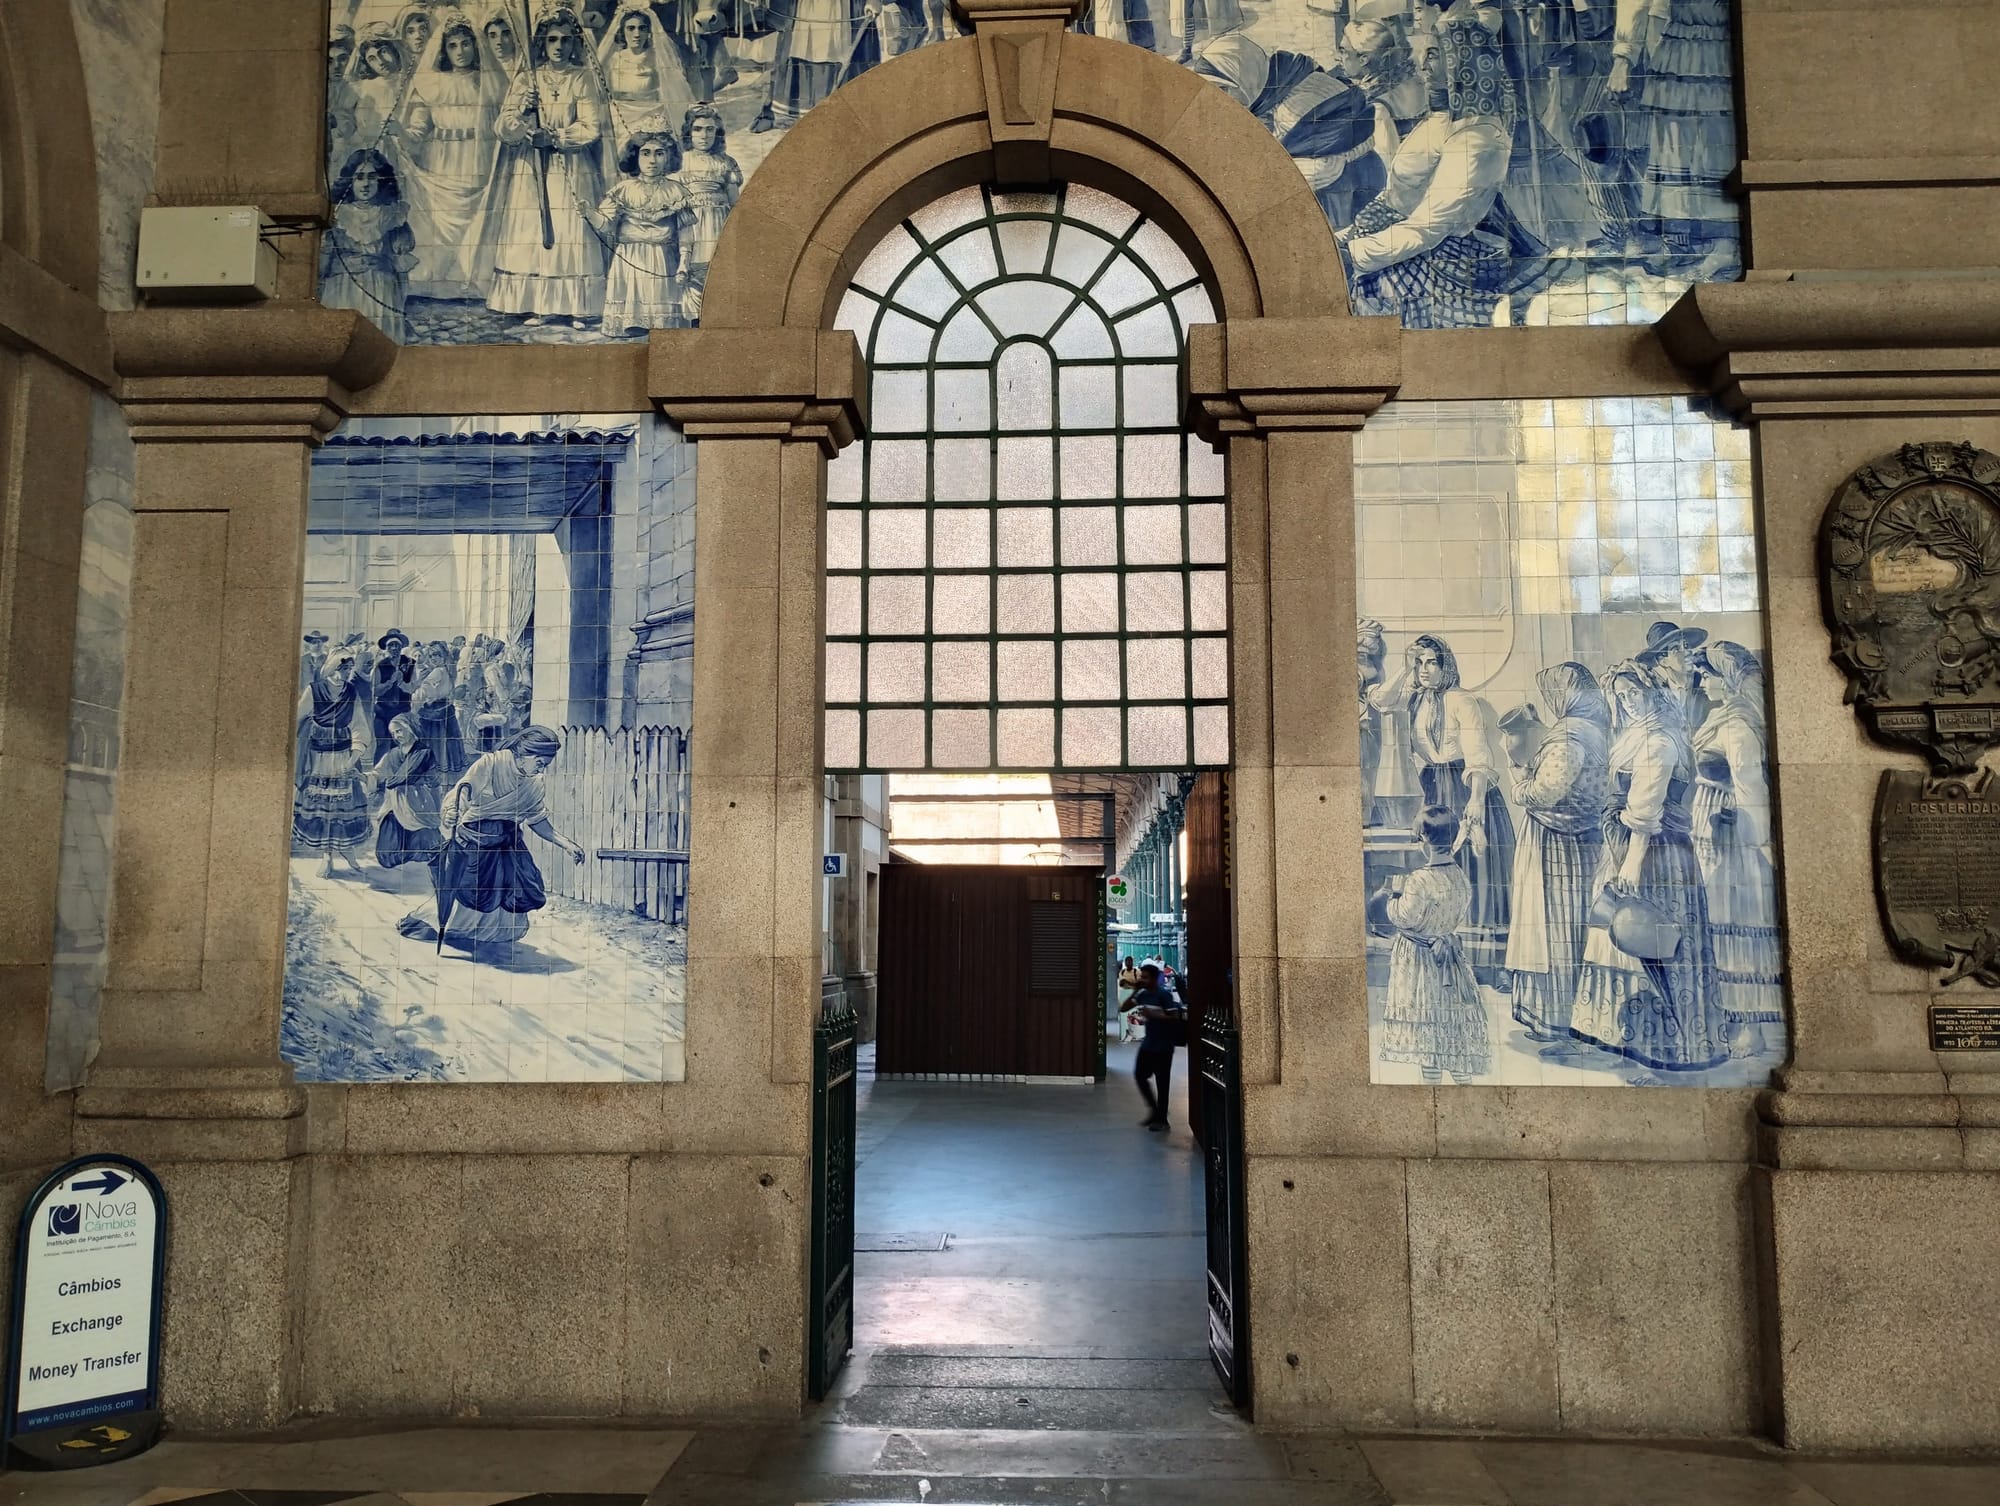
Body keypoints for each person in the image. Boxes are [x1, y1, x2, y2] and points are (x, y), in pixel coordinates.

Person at [1571, 660, 1728, 1075]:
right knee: (1627, 938)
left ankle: (1667, 1048)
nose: (1628, 702)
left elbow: (1645, 808)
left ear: (1653, 692)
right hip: (1630, 847)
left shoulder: (1659, 741)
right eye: (1621, 696)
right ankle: (1634, 1041)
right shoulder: (1634, 736)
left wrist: (1632, 862)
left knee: (1649, 939)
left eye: (1634, 693)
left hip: (1655, 856)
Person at [1338, 11, 1519, 327]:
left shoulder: (1478, 138)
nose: (1422, 64)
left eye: (1433, 54)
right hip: (1384, 254)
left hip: (1423, 273)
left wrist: (1352, 254)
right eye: (1423, 53)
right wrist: (1343, 236)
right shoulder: (1440, 119)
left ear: (1463, 60)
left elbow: (1429, 227)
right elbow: (1394, 197)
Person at [1367, 632, 1515, 981]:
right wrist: (1405, 670)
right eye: (1419, 663)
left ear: (1445, 664)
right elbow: (1379, 700)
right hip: (1431, 787)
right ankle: (1438, 958)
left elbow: (1478, 756)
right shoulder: (1413, 700)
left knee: (1474, 873)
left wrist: (1476, 802)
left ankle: (1482, 963)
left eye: (1431, 662)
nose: (1424, 670)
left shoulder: (1463, 700)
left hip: (1465, 787)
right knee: (1432, 872)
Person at [400, 725, 586, 950]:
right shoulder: (492, 763)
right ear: (524, 753)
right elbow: (464, 790)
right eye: (540, 763)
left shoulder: (535, 783)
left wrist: (566, 844)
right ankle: (451, 927)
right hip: (476, 837)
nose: (541, 769)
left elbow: (536, 819)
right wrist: (452, 811)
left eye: (545, 765)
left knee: (514, 886)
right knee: (472, 887)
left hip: (507, 842)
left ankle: (490, 933)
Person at [1502, 664, 1611, 1049]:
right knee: (1576, 923)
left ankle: (1557, 1018)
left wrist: (1517, 777)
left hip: (1555, 842)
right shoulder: (1596, 730)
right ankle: (1579, 1017)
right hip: (1584, 838)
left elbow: (1545, 792)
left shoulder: (1568, 736)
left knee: (1554, 926)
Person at [487, 3, 610, 329]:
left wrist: (554, 136)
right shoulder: (528, 78)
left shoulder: (582, 78)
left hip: (569, 167)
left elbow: (591, 126)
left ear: (574, 43)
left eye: (566, 40)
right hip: (531, 168)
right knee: (530, 233)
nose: (559, 46)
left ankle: (576, 307)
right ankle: (537, 305)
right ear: (542, 42)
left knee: (570, 230)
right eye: (553, 40)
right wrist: (524, 116)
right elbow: (502, 127)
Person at [1690, 642, 1781, 1057]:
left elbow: (1750, 787)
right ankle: (1732, 1020)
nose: (1701, 680)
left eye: (1707, 673)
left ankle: (1751, 1030)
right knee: (1719, 927)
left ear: (1726, 678)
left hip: (1732, 833)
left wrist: (1753, 840)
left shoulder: (1738, 726)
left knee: (1737, 930)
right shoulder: (1719, 718)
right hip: (1710, 824)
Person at [1609, 0, 1738, 274]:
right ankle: (1679, 243)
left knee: (1715, 146)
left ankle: (1725, 246)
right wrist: (1623, 58)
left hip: (1722, 44)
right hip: (1679, 41)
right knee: (1672, 143)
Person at [1371, 805, 1491, 1082]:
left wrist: (1388, 898)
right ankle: (1461, 1083)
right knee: (1451, 1027)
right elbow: (1456, 909)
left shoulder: (1419, 879)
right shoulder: (1459, 876)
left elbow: (1404, 917)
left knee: (1428, 1030)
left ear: (1424, 839)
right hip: (1450, 959)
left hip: (1420, 960)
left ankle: (1433, 1086)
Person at [396, 8, 503, 301]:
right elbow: (419, 128)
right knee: (439, 221)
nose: (460, 51)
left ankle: (472, 279)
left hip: (477, 157)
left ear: (476, 46)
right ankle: (434, 280)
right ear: (443, 49)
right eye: (452, 45)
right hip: (441, 159)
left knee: (475, 218)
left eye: (466, 44)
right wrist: (401, 132)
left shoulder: (490, 82)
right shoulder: (432, 83)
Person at [594, 125, 697, 331]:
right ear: (635, 155)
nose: (652, 160)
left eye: (659, 153)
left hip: (663, 258)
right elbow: (606, 225)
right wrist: (589, 213)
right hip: (630, 258)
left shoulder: (675, 190)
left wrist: (684, 263)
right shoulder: (623, 189)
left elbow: (686, 232)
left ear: (669, 157)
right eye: (646, 153)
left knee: (662, 322)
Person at [321, 149, 419, 343]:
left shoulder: (392, 215)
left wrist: (399, 304)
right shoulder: (338, 215)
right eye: (359, 178)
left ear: (381, 180)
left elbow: (401, 268)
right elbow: (322, 266)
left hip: (382, 289)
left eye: (372, 177)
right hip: (343, 289)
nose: (365, 184)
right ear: (351, 181)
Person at [295, 649, 374, 876]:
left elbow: (359, 726)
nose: (345, 674)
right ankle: (326, 855)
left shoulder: (351, 691)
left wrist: (353, 759)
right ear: (331, 668)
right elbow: (297, 718)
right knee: (323, 808)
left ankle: (346, 849)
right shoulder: (314, 690)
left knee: (344, 808)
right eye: (341, 669)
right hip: (317, 760)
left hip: (343, 757)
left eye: (348, 669)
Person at [596, 1, 698, 155]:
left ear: (649, 32)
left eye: (642, 28)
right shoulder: (613, 59)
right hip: (619, 118)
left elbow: (674, 89)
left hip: (651, 117)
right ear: (622, 31)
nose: (636, 34)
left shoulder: (658, 58)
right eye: (631, 28)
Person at [366, 711, 444, 868]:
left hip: (418, 804)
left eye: (399, 730)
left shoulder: (423, 753)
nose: (396, 736)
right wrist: (361, 777)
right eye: (393, 733)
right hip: (394, 804)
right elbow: (377, 774)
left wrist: (391, 782)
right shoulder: (393, 754)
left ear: (411, 728)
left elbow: (406, 777)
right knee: (386, 858)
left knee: (428, 850)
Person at [674, 104, 741, 279]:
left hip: (719, 220)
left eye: (710, 129)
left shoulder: (725, 162)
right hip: (691, 221)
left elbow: (735, 203)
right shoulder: (681, 161)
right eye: (698, 129)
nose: (704, 135)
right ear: (689, 132)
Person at [1127, 962, 1183, 1131]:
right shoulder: (1143, 995)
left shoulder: (1163, 995)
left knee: (1162, 1082)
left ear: (1154, 979)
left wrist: (1155, 1015)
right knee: (1139, 1075)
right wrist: (1135, 990)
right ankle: (1154, 1109)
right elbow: (1124, 1007)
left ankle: (1162, 1119)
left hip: (1164, 1045)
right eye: (1141, 977)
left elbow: (1174, 1017)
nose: (1142, 980)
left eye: (1145, 977)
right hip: (1149, 1043)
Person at [1634, 619, 1709, 731]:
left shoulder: (1707, 684)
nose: (1687, 651)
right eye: (1676, 649)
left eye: (1686, 645)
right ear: (1663, 661)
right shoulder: (1658, 697)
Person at [370, 629, 417, 747]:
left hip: (402, 710)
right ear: (386, 648)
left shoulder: (410, 663)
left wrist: (401, 682)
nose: (394, 648)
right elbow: (375, 691)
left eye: (397, 645)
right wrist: (389, 683)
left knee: (401, 744)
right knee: (381, 743)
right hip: (383, 710)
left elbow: (414, 688)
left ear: (401, 647)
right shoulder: (381, 665)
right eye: (390, 645)